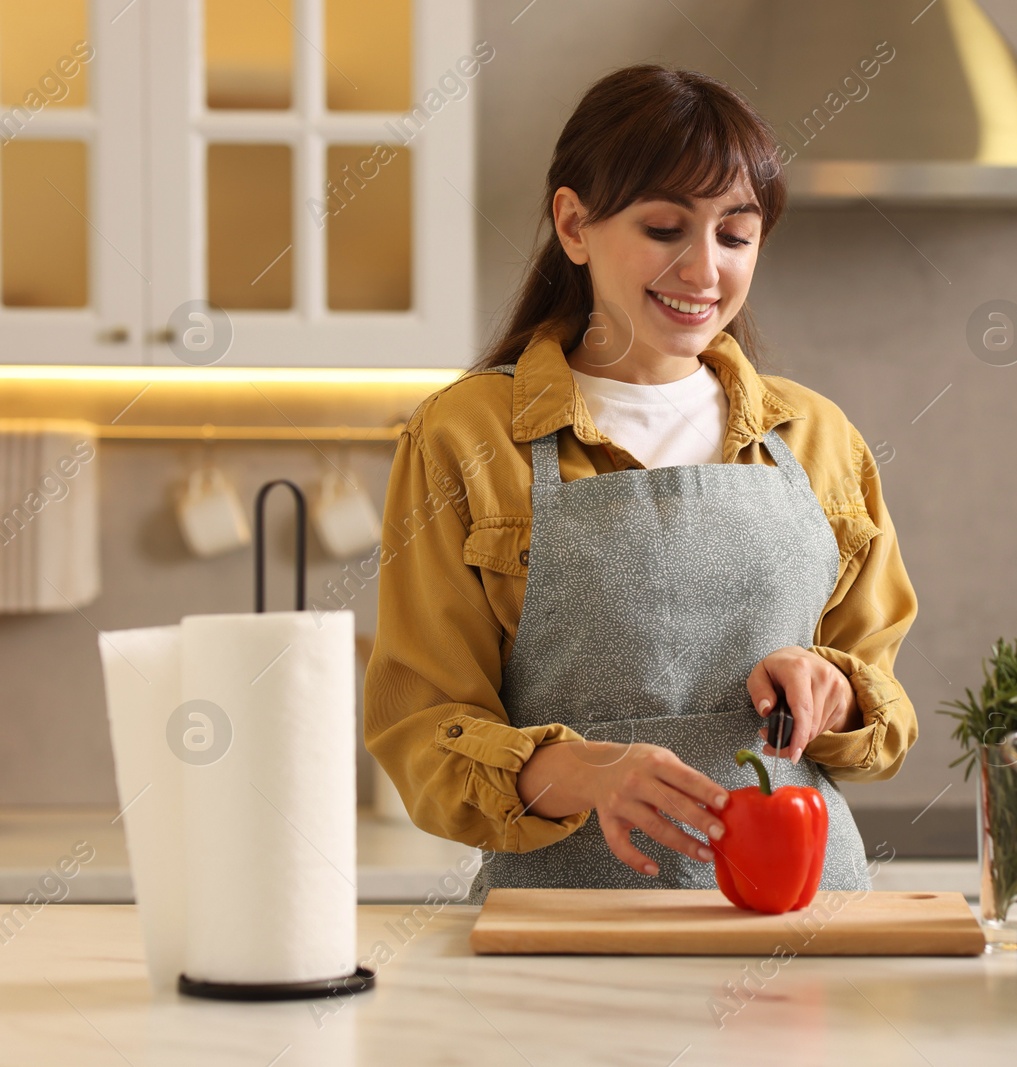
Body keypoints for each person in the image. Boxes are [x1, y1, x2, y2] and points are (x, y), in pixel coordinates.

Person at [363, 64, 918, 903]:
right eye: (665, 228)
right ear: (574, 224)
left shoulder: (818, 438)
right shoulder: (465, 437)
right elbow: (421, 727)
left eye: (736, 236)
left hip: (803, 924)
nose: (703, 270)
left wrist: (834, 693)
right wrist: (578, 770)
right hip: (566, 929)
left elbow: (885, 711)